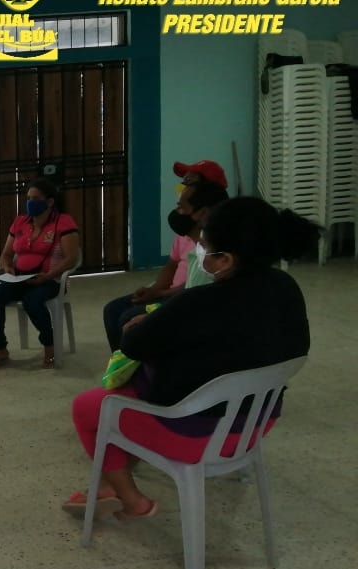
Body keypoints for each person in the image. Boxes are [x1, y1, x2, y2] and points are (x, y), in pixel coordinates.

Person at [64, 197, 319, 519]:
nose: (200, 252)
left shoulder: (199, 302)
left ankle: (132, 500)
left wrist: (146, 323)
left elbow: (132, 344)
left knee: (89, 406)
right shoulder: (286, 288)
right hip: (255, 425)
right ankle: (106, 485)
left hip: (194, 433)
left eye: (205, 247)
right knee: (125, 394)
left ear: (225, 260)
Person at [102, 176, 229, 350]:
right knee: (114, 311)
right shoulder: (197, 250)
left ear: (203, 214)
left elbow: (195, 304)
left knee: (131, 324)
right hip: (178, 300)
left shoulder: (213, 258)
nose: (176, 212)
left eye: (181, 207)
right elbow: (176, 272)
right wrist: (155, 290)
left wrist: (158, 308)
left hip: (188, 316)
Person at [0, 179, 80, 369]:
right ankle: (0, 348)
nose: (31, 202)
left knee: (32, 301)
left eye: (36, 198)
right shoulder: (20, 222)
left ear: (50, 202)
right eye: (28, 198)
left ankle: (49, 345)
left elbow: (71, 259)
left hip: (51, 280)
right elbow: (6, 254)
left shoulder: (63, 222)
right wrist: (7, 267)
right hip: (20, 278)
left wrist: (47, 276)